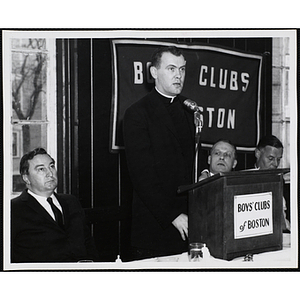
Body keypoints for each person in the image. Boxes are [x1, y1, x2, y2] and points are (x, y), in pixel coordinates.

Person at [123, 46, 197, 260]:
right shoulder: (137, 114)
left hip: (190, 223)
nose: (178, 75)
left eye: (182, 69)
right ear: (154, 72)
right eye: (171, 68)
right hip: (156, 226)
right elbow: (141, 175)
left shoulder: (188, 110)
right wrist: (172, 215)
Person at [11, 147, 99, 263]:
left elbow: (88, 242)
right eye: (41, 169)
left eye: (51, 166)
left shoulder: (71, 201)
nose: (50, 173)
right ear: (26, 178)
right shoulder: (13, 209)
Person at [254, 135, 290, 231]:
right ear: (258, 154)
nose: (275, 164)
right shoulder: (241, 179)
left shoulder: (280, 179)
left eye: (278, 159)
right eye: (270, 158)